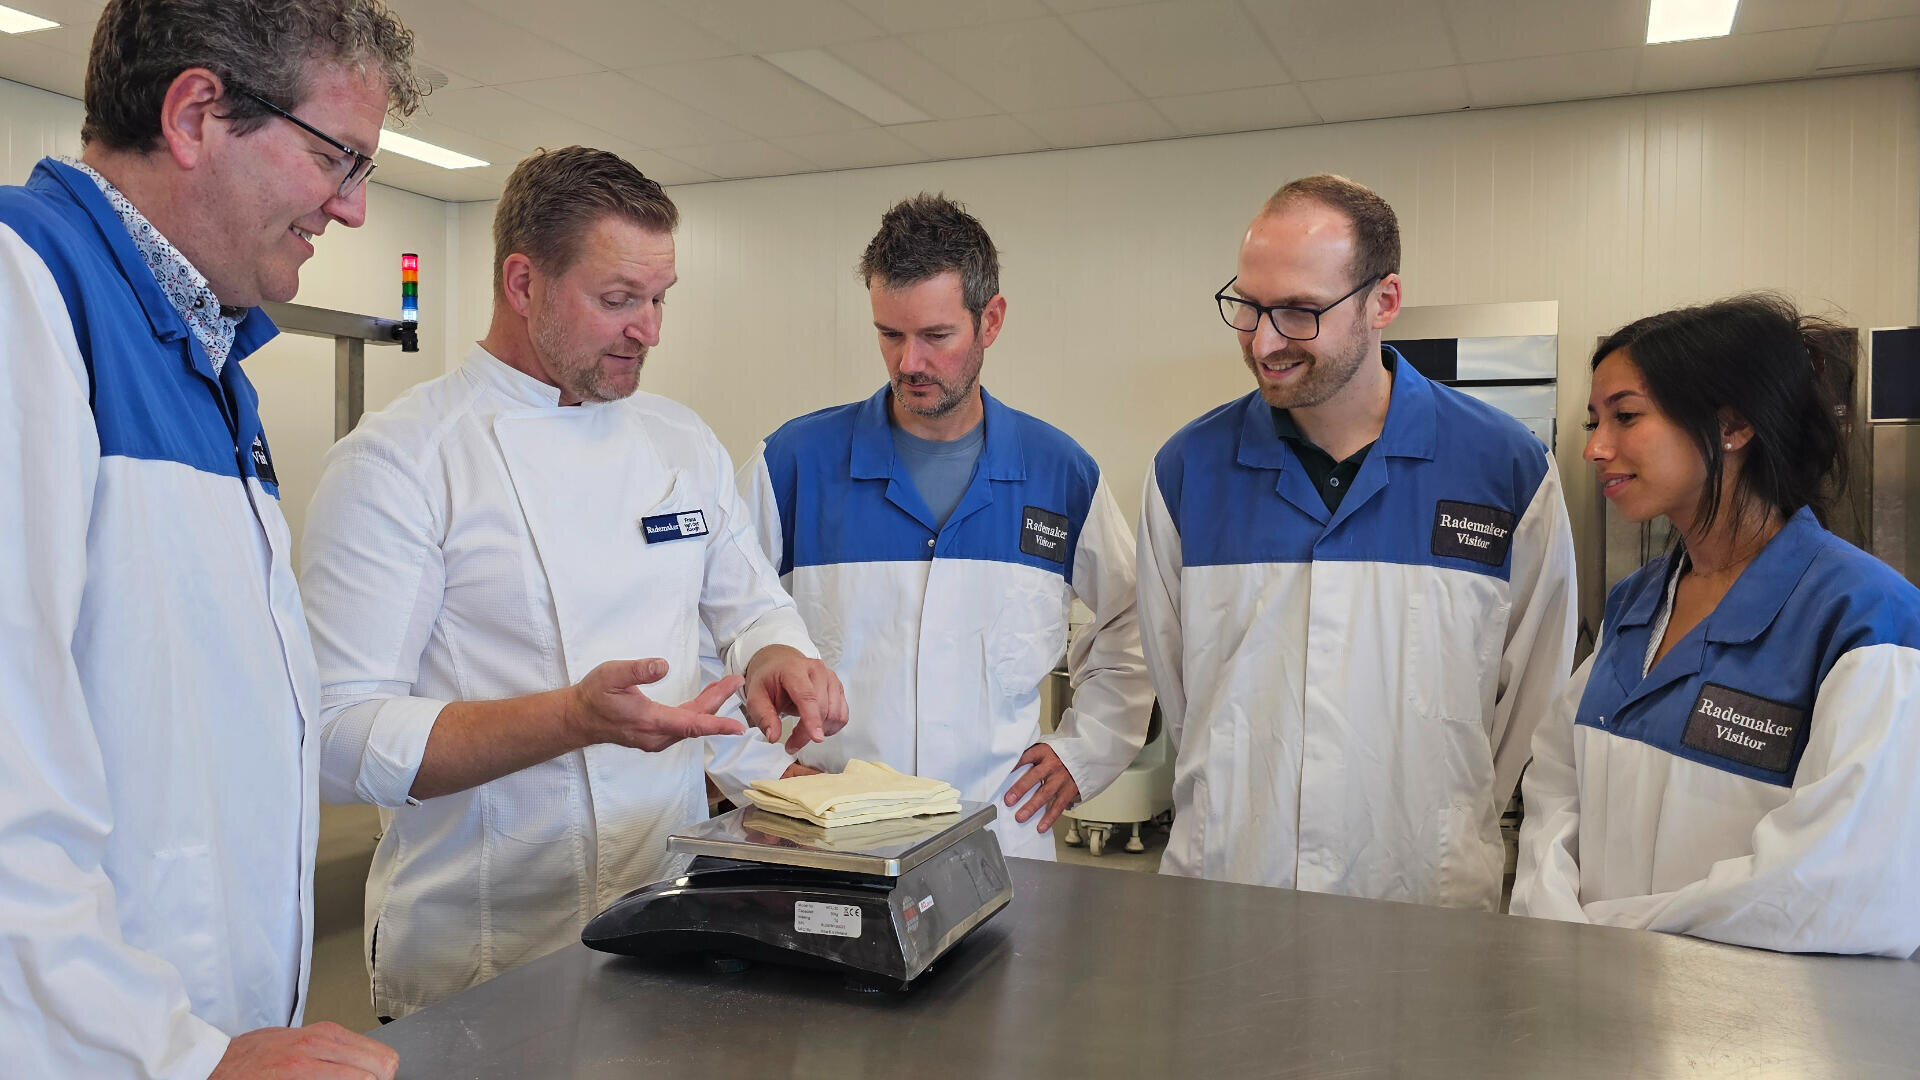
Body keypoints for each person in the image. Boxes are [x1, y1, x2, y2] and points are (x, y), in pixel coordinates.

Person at [299, 146, 847, 1019]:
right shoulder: (402, 461)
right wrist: (570, 719)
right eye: (619, 300)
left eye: (660, 299)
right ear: (523, 283)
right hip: (476, 962)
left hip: (663, 933)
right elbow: (334, 736)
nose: (650, 330)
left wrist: (777, 650)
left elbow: (750, 602)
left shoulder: (680, 442)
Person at [0, 1, 422, 1075]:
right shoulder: (24, 290)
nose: (356, 208)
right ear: (195, 114)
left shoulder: (208, 360)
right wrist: (176, 1054)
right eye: (338, 158)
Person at [1137, 174, 1578, 907]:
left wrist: (1437, 814)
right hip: (1232, 881)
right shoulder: (1188, 471)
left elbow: (1531, 705)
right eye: (1248, 306)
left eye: (1301, 311)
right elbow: (1186, 702)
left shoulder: (1504, 470)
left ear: (1384, 302)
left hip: (1419, 892)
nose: (1265, 340)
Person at [734, 193, 1152, 859]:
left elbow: (1131, 624)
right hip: (831, 842)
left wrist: (1087, 752)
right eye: (889, 335)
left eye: (935, 336)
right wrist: (763, 774)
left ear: (990, 321)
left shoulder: (1060, 473)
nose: (909, 364)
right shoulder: (793, 464)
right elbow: (710, 630)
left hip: (1001, 834)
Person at [1512, 295, 1920, 956]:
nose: (1596, 448)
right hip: (1594, 999)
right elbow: (1557, 788)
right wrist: (1557, 919)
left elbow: (1843, 885)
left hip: (1759, 1034)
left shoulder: (1866, 619)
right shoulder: (1636, 604)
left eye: (1626, 416)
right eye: (1596, 421)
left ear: (1731, 426)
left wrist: (1606, 935)